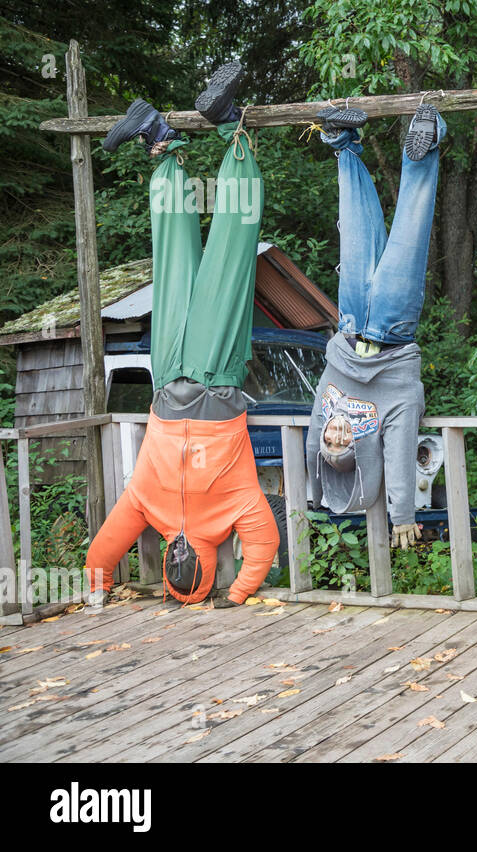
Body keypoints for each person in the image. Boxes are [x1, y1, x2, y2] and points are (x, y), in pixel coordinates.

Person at [84, 61, 280, 610]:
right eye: (195, 578)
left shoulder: (147, 507)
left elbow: (101, 554)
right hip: (216, 373)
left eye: (178, 578)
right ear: (210, 568)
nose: (182, 567)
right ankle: (230, 129)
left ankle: (160, 139)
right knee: (230, 253)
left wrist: (98, 590)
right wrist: (237, 595)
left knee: (171, 256)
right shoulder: (234, 514)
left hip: (169, 373)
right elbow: (264, 543)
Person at [305, 103, 446, 549]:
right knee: (409, 233)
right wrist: (401, 512)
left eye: (332, 438)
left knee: (356, 229)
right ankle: (425, 142)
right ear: (360, 445)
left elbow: (311, 453)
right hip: (391, 329)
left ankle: (343, 143)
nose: (337, 434)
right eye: (346, 441)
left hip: (348, 323)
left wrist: (313, 491)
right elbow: (401, 450)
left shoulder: (328, 402)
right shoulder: (393, 407)